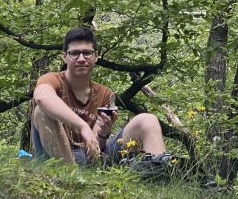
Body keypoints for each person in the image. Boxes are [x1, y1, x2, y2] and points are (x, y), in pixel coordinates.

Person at [30, 27, 171, 172]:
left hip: (90, 159)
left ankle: (157, 173)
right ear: (65, 57)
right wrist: (82, 126)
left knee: (147, 120)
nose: (81, 59)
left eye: (87, 53)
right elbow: (42, 97)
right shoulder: (52, 80)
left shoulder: (104, 93)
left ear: (96, 56)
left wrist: (103, 132)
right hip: (55, 158)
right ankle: (71, 176)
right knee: (41, 111)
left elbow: (96, 147)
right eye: (74, 53)